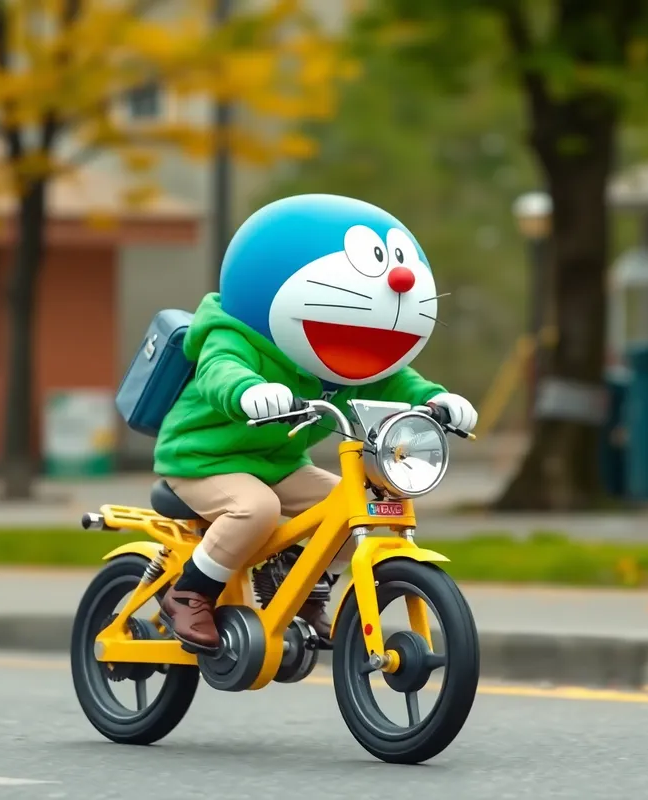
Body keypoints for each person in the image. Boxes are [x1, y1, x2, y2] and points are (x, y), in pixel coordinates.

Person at [154, 194, 478, 652]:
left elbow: (395, 381)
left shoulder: (342, 358)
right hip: (203, 459)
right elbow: (219, 371)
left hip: (279, 462)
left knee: (350, 507)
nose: (401, 280)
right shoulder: (233, 335)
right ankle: (189, 593)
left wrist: (435, 399)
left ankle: (301, 583)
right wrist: (247, 390)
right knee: (256, 509)